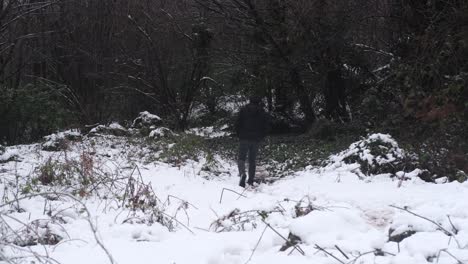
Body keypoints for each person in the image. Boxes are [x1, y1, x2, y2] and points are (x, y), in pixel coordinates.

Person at [234, 96, 269, 187]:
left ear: (250, 101)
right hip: (256, 139)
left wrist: (239, 135)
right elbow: (265, 126)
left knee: (241, 158)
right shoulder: (262, 112)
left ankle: (242, 173)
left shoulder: (243, 110)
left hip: (244, 138)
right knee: (252, 160)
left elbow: (238, 123)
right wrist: (261, 136)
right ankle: (250, 180)